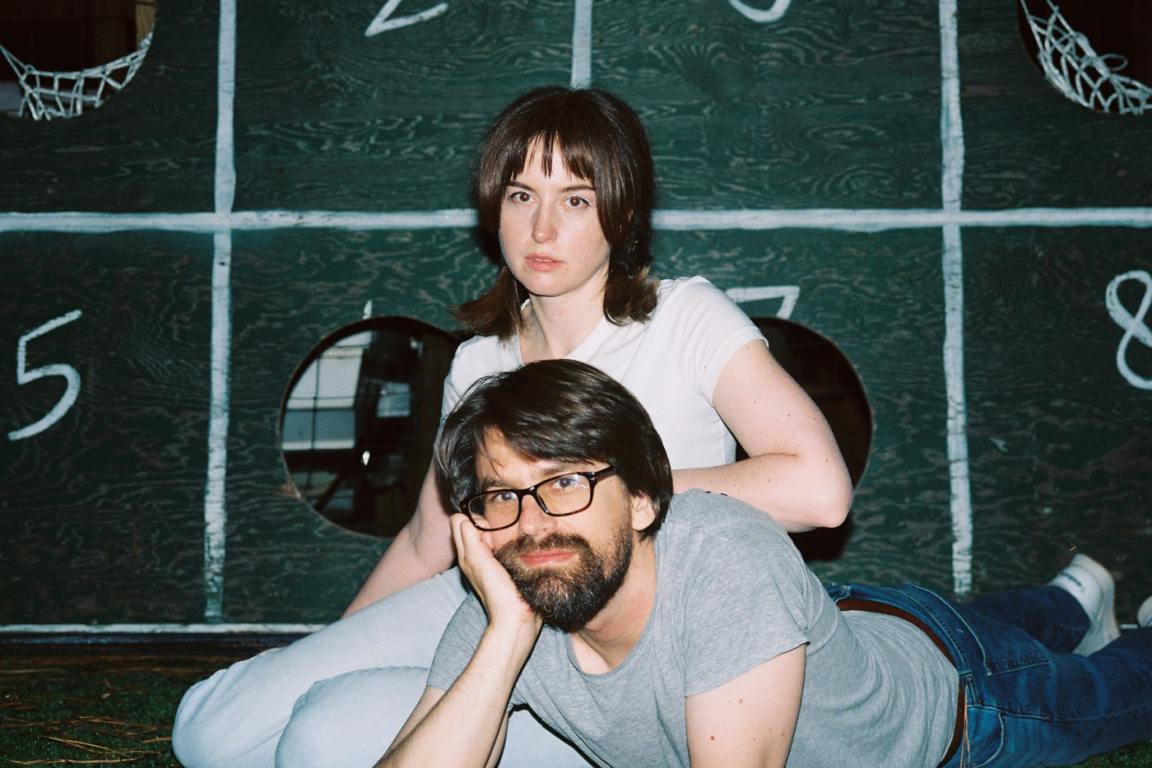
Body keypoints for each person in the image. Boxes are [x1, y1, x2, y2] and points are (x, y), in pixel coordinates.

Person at [172, 87, 852, 768]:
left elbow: (820, 490)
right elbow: (426, 540)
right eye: (521, 195)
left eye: (576, 199)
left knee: (324, 739)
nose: (542, 229)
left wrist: (596, 492)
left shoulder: (685, 320)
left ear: (624, 214)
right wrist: (341, 651)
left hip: (620, 621)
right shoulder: (479, 363)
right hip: (494, 594)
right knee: (210, 732)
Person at [382, 359, 1152, 768]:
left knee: (1116, 695)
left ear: (645, 501)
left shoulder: (725, 557)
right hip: (841, 622)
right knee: (1003, 622)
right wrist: (510, 634)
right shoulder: (510, 596)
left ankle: (1111, 617)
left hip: (948, 707)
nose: (534, 522)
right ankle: (1074, 593)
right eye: (501, 497)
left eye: (567, 483)